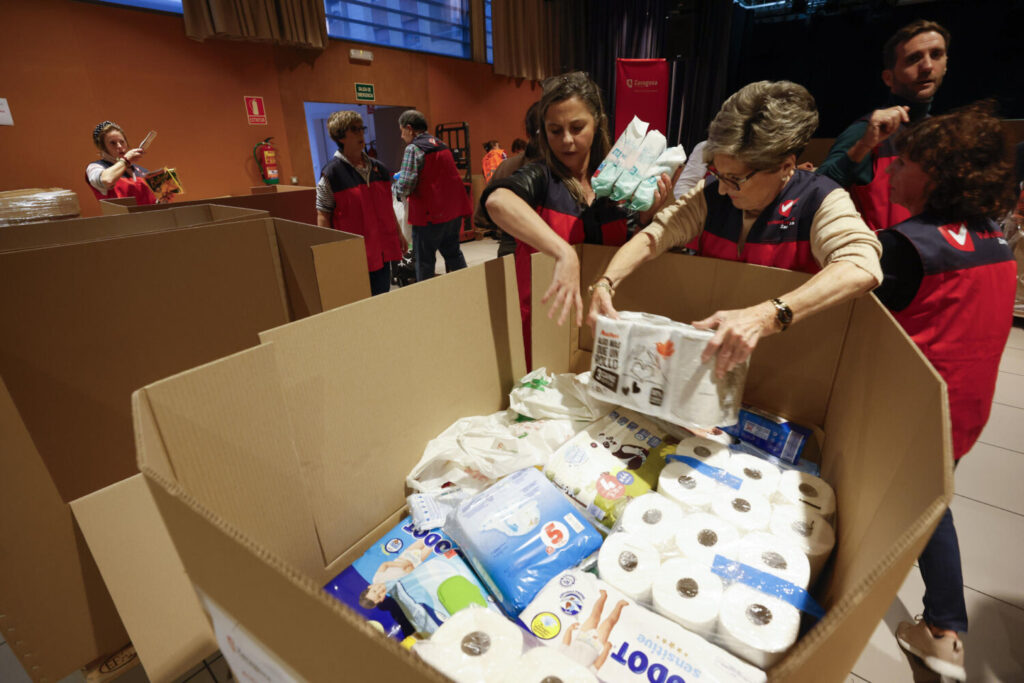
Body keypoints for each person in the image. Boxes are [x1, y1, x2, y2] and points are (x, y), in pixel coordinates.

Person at [588, 81, 883, 379]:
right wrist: (606, 282)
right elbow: (657, 234)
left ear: (785, 167)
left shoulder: (819, 199)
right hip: (713, 362)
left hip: (787, 368)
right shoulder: (712, 194)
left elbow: (861, 266)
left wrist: (768, 314)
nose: (724, 189)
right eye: (719, 174)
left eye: (737, 179)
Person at [876, 104, 1017, 682]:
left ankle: (943, 630)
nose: (891, 174)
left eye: (903, 163)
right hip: (967, 407)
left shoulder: (909, 248)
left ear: (935, 175)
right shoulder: (993, 240)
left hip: (912, 411)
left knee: (932, 511)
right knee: (935, 496)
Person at [482, 71, 677, 363]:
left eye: (577, 127)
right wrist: (564, 252)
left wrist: (649, 214)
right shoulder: (541, 177)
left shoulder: (619, 182)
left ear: (597, 121)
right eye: (555, 130)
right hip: (546, 322)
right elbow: (498, 201)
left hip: (604, 321)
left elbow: (633, 248)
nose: (567, 140)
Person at [817, 19, 950, 231]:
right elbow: (814, 191)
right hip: (881, 260)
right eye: (913, 59)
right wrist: (862, 146)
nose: (927, 66)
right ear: (888, 78)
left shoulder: (943, 134)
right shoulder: (867, 132)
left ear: (946, 64)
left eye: (936, 54)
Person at [316, 110, 405, 296]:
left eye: (361, 129)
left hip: (381, 251)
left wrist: (399, 234)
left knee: (381, 298)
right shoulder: (331, 174)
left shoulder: (379, 169)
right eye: (354, 130)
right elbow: (323, 215)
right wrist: (327, 253)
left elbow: (387, 208)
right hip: (353, 255)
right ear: (340, 137)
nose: (361, 134)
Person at [393, 110, 472, 282]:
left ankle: (428, 301)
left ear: (409, 128)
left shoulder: (413, 148)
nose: (401, 135)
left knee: (424, 262)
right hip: (452, 214)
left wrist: (397, 188)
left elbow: (406, 185)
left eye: (402, 131)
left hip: (429, 217)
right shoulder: (441, 145)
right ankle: (468, 288)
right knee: (454, 255)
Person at [473, 102, 543, 259]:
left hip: (511, 246)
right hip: (550, 251)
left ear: (527, 132)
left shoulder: (507, 165)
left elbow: (481, 217)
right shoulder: (568, 169)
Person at [85, 121, 157, 205]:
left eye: (122, 142)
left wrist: (162, 199)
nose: (119, 146)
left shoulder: (142, 171)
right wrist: (126, 160)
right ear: (103, 148)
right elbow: (107, 180)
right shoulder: (95, 167)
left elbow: (152, 202)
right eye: (113, 143)